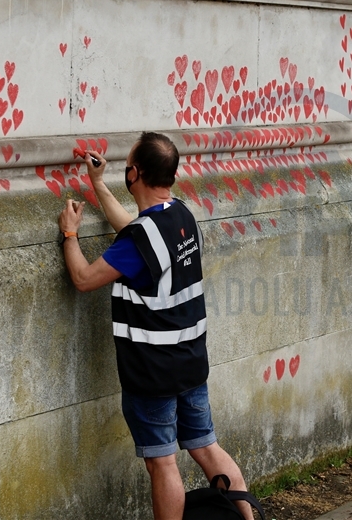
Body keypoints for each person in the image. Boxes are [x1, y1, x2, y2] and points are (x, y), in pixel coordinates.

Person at [58, 132, 252, 520]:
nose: (125, 170)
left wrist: (70, 234)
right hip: (191, 363)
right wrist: (98, 183)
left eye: (127, 165)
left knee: (162, 463)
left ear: (137, 173)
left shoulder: (141, 239)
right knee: (207, 448)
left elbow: (82, 278)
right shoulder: (182, 216)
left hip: (153, 373)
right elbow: (134, 230)